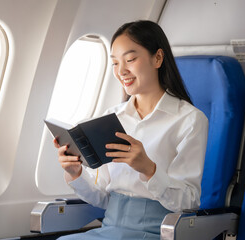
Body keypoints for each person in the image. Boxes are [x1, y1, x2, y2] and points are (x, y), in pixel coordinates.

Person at [54, 20, 208, 240]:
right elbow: (103, 198)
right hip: (111, 229)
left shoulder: (190, 120)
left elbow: (189, 201)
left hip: (160, 232)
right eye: (115, 63)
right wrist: (75, 173)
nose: (121, 71)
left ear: (157, 58)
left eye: (130, 59)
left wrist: (148, 169)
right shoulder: (110, 118)